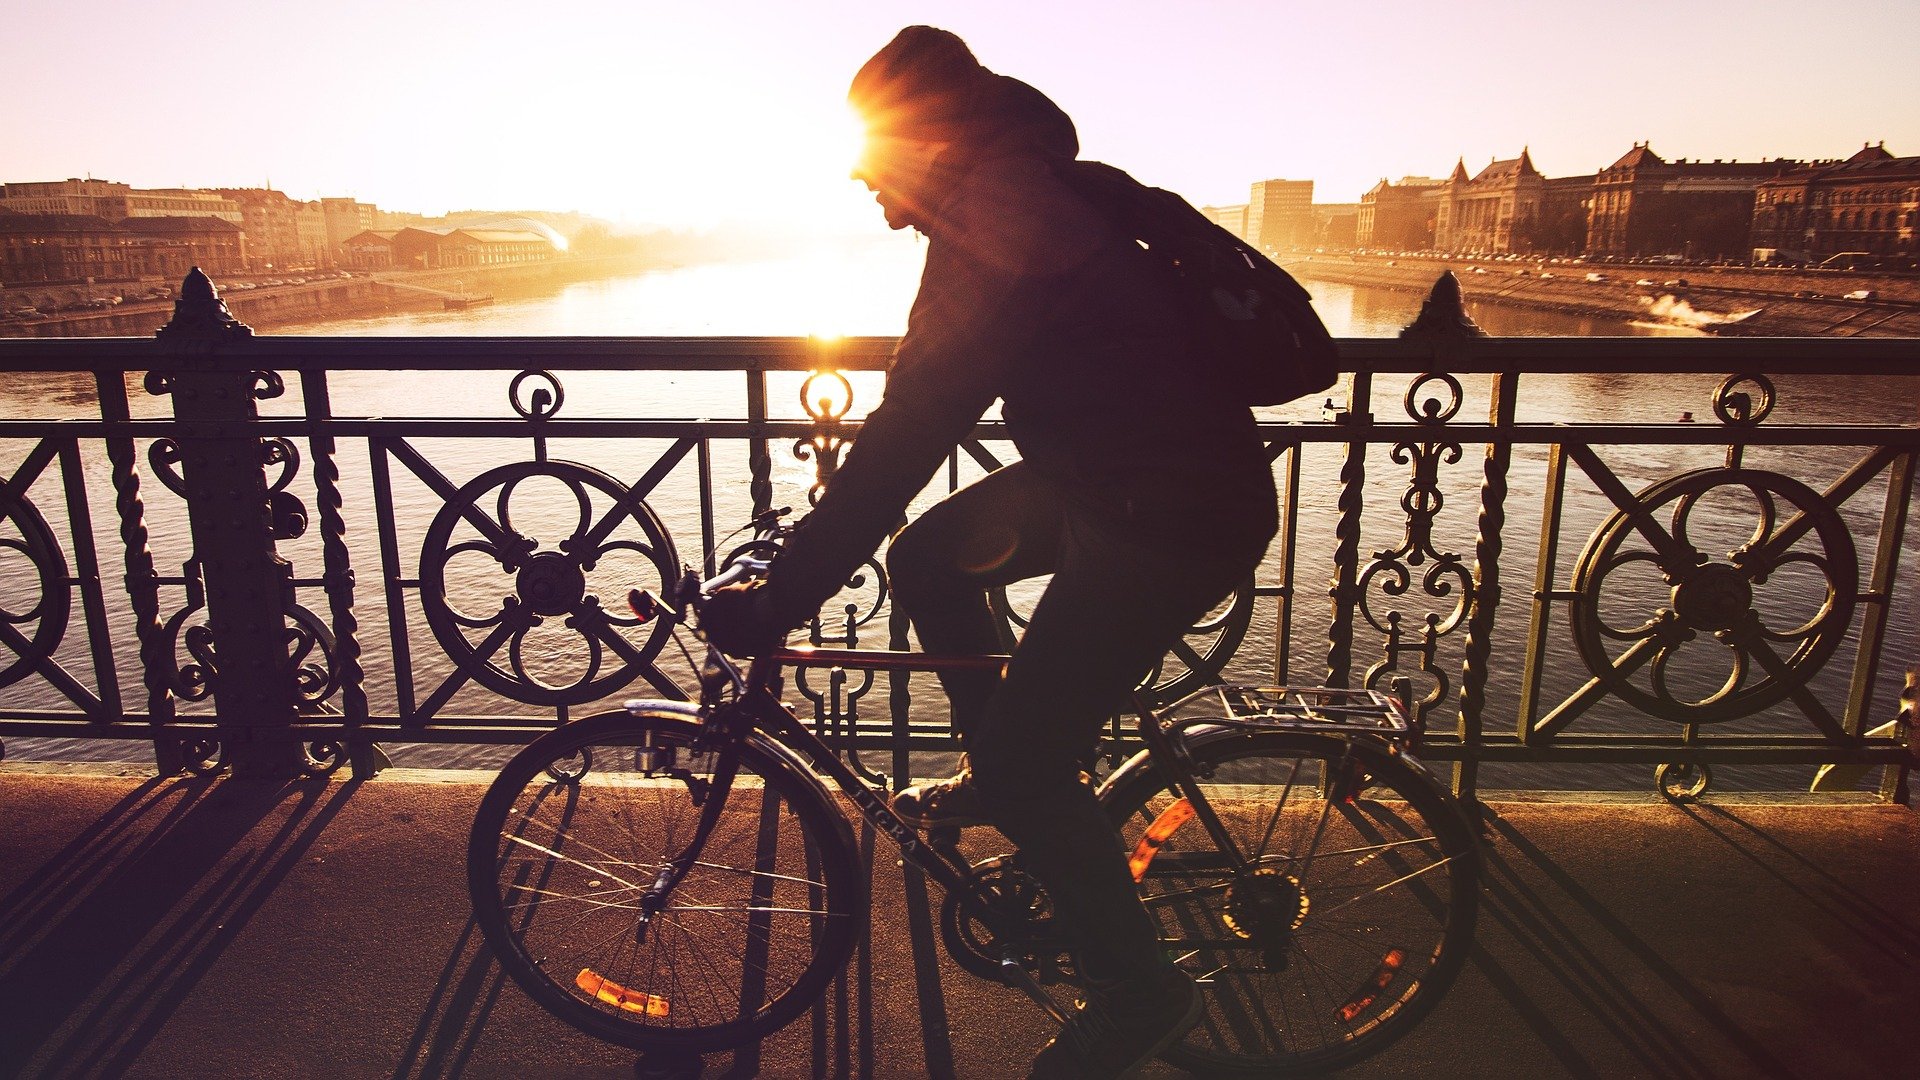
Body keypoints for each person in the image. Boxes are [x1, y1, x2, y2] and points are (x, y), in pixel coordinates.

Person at [701, 26, 1278, 1079]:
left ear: (926, 144)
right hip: (1117, 477)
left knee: (1024, 760)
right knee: (927, 560)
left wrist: (778, 602)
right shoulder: (1019, 189)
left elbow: (909, 433)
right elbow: (911, 433)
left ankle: (1138, 992)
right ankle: (1010, 769)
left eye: (874, 169)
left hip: (1171, 513)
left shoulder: (1002, 222)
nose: (872, 199)